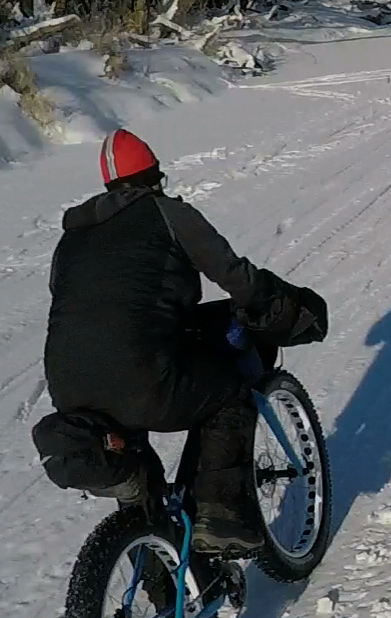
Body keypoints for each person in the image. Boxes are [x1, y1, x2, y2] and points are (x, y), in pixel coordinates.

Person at [43, 129, 324, 554]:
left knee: (139, 487)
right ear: (154, 177)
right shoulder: (167, 213)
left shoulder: (71, 237)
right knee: (229, 392)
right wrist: (277, 305)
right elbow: (236, 276)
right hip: (141, 379)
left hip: (69, 388)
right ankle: (219, 516)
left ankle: (156, 571)